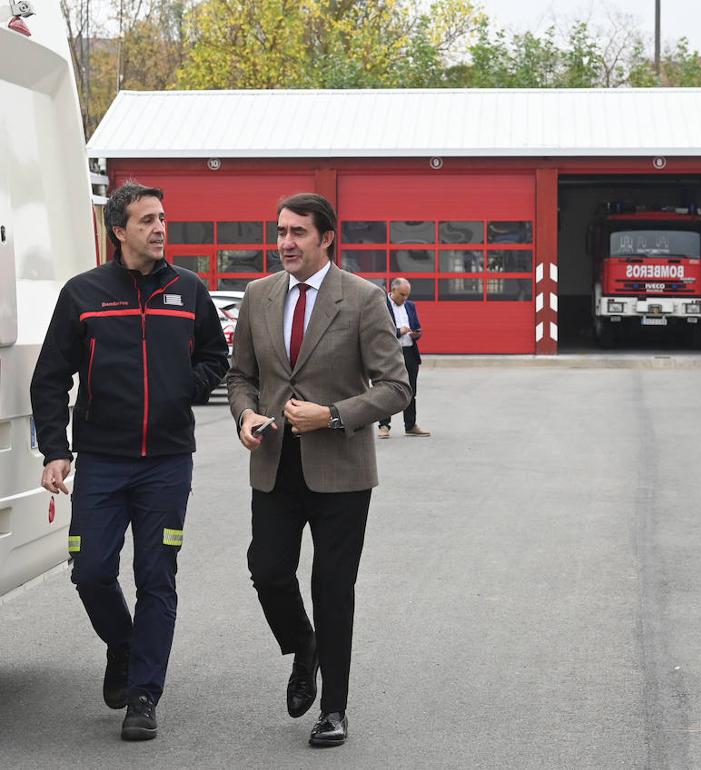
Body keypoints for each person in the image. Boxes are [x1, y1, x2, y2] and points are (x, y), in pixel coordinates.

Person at [29, 181, 229, 741]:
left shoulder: (188, 291)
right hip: (101, 459)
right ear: (119, 231)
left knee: (156, 574)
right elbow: (49, 377)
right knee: (90, 570)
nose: (160, 228)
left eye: (163, 218)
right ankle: (124, 645)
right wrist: (54, 450)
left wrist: (180, 388)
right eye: (147, 220)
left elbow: (217, 356)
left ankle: (143, 694)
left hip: (167, 461)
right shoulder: (84, 294)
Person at [224, 193, 410, 747]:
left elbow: (396, 387)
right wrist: (246, 413)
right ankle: (304, 648)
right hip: (275, 463)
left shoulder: (362, 299)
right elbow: (240, 377)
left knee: (333, 587)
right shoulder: (258, 295)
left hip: (342, 473)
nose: (285, 242)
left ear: (326, 237)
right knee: (269, 571)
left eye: (298, 232)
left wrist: (332, 416)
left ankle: (334, 709)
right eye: (280, 231)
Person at [378, 277, 430, 438]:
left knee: (410, 391)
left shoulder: (410, 306)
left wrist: (416, 334)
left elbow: (416, 325)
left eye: (407, 295)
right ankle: (384, 425)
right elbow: (379, 331)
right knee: (387, 390)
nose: (405, 298)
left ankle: (410, 425)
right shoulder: (381, 305)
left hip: (409, 352)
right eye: (402, 295)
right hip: (390, 354)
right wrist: (399, 331)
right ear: (392, 290)